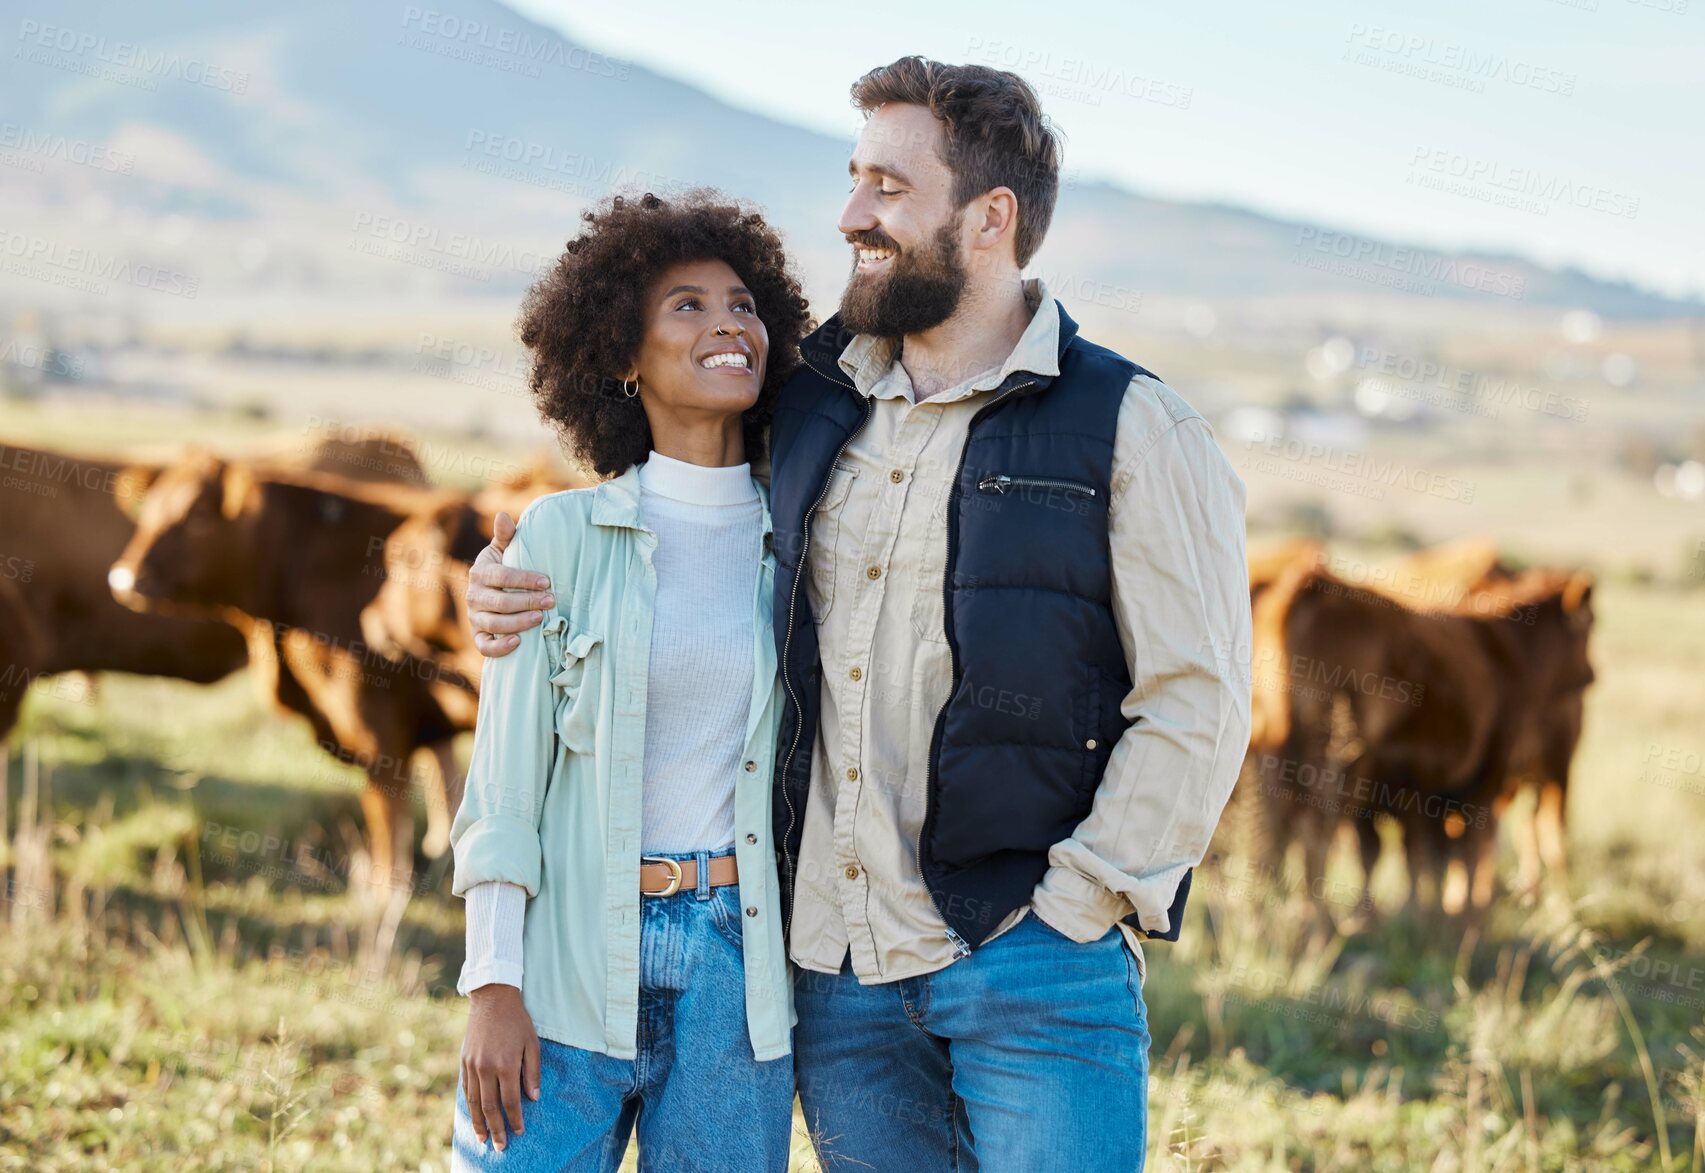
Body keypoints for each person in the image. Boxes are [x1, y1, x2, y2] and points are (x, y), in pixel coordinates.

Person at [468, 58, 1252, 1172]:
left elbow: (1197, 699)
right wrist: (499, 590)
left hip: (1032, 969)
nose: (848, 216)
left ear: (990, 217)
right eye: (852, 181)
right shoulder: (812, 399)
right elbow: (657, 514)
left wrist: (1073, 907)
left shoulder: (1135, 427)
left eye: (886, 187)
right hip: (837, 986)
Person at [449, 189, 811, 1172]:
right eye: (685, 306)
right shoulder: (558, 537)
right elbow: (505, 785)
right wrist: (493, 983)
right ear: (620, 351)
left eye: (742, 303)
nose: (728, 322)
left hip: (738, 977)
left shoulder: (806, 542)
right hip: (566, 959)